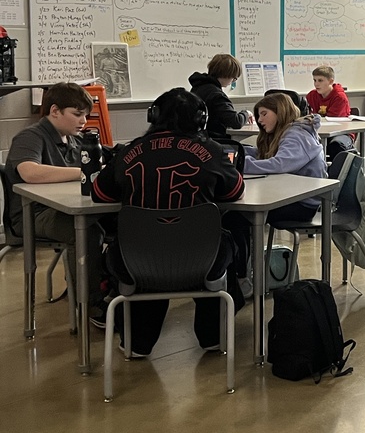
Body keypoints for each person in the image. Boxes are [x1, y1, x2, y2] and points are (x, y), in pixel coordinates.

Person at [91, 88, 246, 356]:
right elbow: (235, 192)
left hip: (136, 260)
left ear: (153, 115)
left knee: (147, 249)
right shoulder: (212, 151)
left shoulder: (129, 151)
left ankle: (137, 343)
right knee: (226, 238)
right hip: (202, 258)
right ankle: (212, 336)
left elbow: (99, 193)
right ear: (201, 120)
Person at [6, 82, 107, 322]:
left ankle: (109, 287)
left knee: (116, 222)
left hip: (64, 208)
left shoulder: (74, 139)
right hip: (34, 215)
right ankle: (90, 304)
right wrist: (85, 171)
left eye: (86, 115)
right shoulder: (30, 136)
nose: (83, 121)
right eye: (77, 114)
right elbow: (30, 172)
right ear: (54, 111)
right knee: (86, 232)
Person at [244, 93, 327, 226]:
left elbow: (279, 164)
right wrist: (241, 152)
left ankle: (246, 247)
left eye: (264, 114)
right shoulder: (287, 132)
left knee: (238, 215)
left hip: (302, 204)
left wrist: (243, 163)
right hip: (291, 196)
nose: (259, 120)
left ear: (280, 112)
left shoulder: (296, 135)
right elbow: (267, 154)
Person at [189, 54, 253, 142]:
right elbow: (235, 122)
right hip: (213, 141)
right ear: (227, 74)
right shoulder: (217, 95)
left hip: (196, 138)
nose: (233, 81)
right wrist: (246, 113)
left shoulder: (198, 87)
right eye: (234, 78)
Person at [306, 65, 354, 157]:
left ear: (330, 81)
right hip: (317, 132)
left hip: (341, 133)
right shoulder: (311, 95)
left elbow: (332, 121)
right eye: (314, 80)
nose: (316, 84)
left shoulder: (339, 97)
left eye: (320, 80)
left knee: (335, 146)